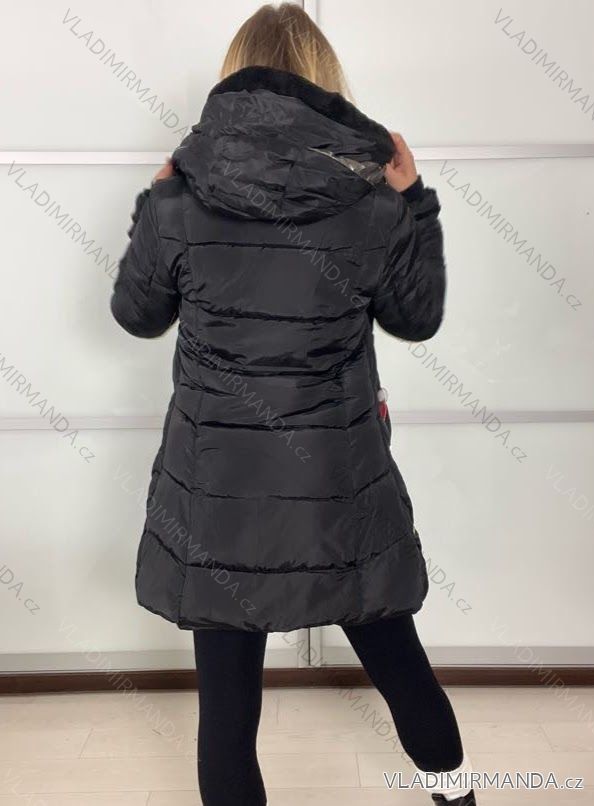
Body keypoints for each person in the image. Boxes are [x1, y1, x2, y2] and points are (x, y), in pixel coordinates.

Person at [111, 3, 476, 804]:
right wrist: (417, 202)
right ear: (325, 83)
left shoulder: (179, 203)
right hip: (336, 488)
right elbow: (416, 319)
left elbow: (137, 316)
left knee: (228, 709)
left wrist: (152, 203)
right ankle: (459, 798)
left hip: (218, 494)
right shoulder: (371, 205)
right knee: (400, 664)